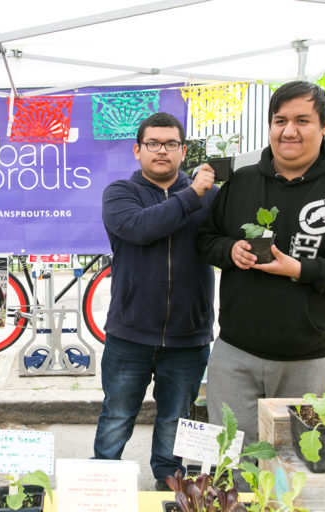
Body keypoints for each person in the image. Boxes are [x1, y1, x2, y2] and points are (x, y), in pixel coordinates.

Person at [196, 81, 325, 447]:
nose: (289, 131)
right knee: (230, 453)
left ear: (324, 125)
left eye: (302, 120)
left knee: (291, 457)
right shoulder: (241, 182)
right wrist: (230, 251)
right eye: (280, 120)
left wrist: (301, 270)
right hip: (236, 350)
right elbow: (206, 240)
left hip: (308, 356)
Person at [93, 112, 217, 490]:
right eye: (153, 143)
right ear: (137, 150)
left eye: (171, 144)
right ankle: (102, 479)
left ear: (183, 151)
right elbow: (142, 228)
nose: (162, 151)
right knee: (117, 414)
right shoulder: (119, 194)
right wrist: (192, 194)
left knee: (175, 419)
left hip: (188, 335)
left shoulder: (209, 197)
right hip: (130, 333)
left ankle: (169, 480)